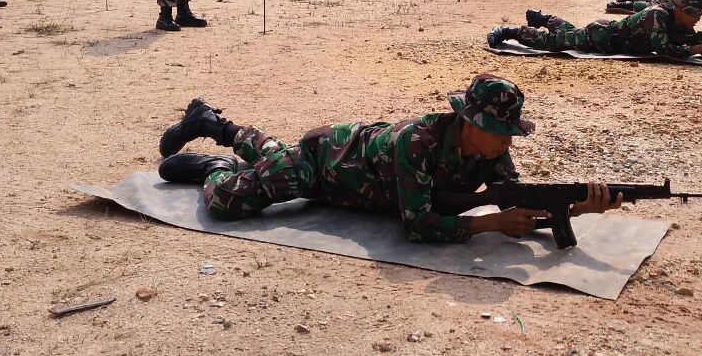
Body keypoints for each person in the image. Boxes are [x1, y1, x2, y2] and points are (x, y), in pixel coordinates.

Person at [155, 74, 624, 242]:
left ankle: (213, 123)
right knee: (229, 203)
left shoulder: (493, 157)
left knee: (276, 155)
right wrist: (485, 225)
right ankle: (215, 167)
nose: (507, 141)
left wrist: (577, 207)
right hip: (326, 166)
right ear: (469, 123)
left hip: (341, 171)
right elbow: (417, 225)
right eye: (498, 131)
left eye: (508, 132)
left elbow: (515, 211)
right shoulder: (417, 143)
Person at [487, 0, 702, 60]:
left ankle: (544, 18)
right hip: (602, 38)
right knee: (554, 42)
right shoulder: (657, 16)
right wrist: (698, 50)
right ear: (680, 10)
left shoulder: (674, 20)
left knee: (570, 33)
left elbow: (685, 41)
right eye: (694, 15)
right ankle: (512, 32)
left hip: (607, 34)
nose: (697, 20)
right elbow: (665, 49)